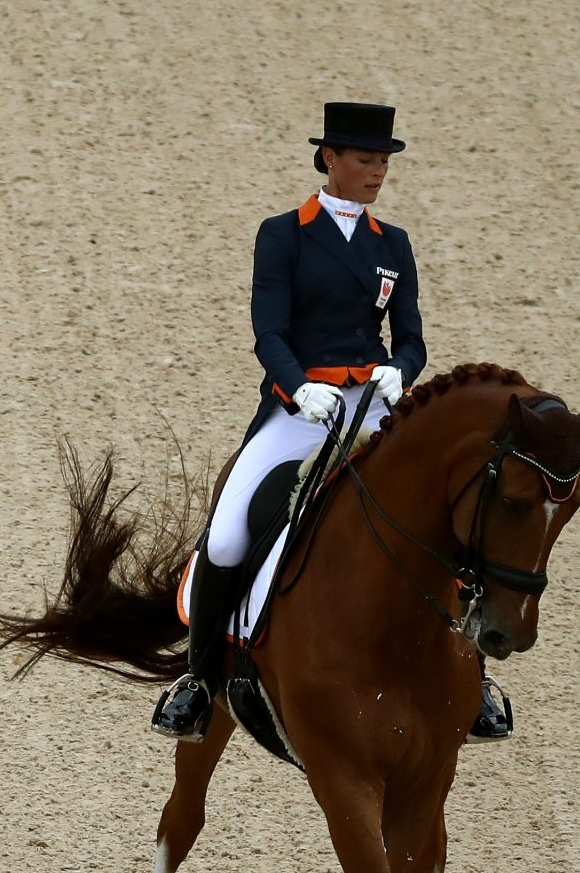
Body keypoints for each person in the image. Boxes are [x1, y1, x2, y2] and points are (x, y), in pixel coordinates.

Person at [151, 101, 513, 743]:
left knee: (451, 517)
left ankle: (476, 680)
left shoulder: (392, 244)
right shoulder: (283, 234)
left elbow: (411, 337)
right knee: (230, 533)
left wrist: (400, 369)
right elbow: (269, 331)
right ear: (330, 160)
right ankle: (199, 681)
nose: (377, 172)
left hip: (374, 408)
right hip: (300, 409)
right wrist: (299, 386)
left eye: (383, 161)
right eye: (366, 160)